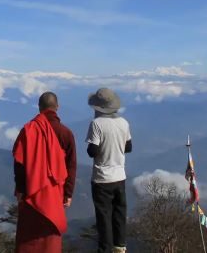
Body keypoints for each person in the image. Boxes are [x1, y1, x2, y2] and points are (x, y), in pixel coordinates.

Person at [13, 91, 77, 253]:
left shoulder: (28, 130)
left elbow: (19, 163)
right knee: (50, 241)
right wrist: (68, 194)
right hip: (55, 194)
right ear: (57, 107)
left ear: (40, 108)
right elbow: (71, 166)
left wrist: (20, 190)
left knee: (28, 239)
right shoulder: (66, 133)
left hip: (30, 193)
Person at [86, 88, 132, 253]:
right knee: (119, 213)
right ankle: (120, 247)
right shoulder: (124, 123)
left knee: (104, 216)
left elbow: (93, 151)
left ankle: (105, 249)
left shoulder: (97, 124)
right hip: (120, 176)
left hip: (102, 178)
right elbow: (129, 147)